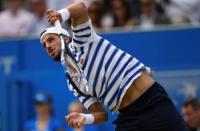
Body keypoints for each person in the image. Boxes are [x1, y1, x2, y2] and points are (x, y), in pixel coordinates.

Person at [39, 1, 189, 130]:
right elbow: (101, 115)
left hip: (152, 101)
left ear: (65, 36)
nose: (48, 46)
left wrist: (62, 14)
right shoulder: (72, 82)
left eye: (51, 39)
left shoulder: (82, 40)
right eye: (44, 45)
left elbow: (81, 8)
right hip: (127, 117)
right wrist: (84, 118)